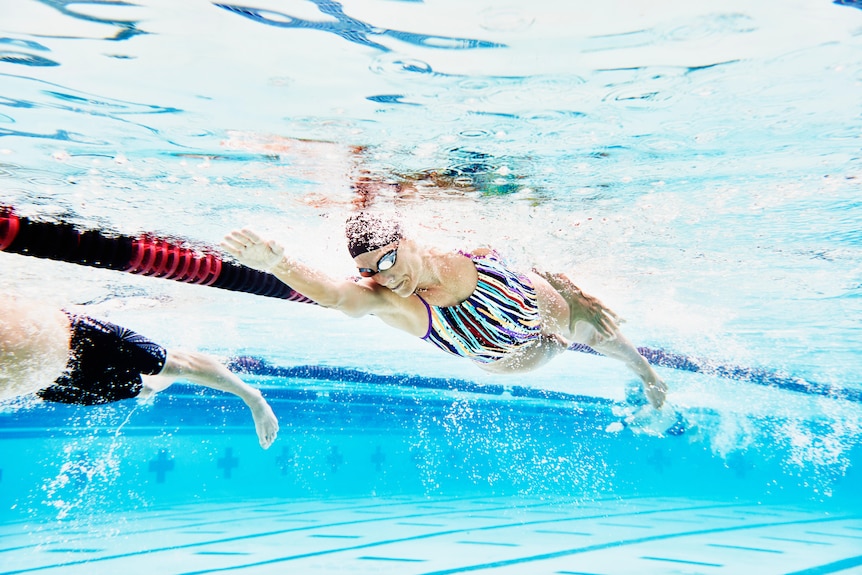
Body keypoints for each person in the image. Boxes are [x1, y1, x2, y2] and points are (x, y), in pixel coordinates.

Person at [222, 212, 668, 409]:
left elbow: (525, 261)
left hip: (549, 309)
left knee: (614, 343)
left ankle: (651, 381)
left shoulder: (464, 247)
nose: (384, 275)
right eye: (369, 269)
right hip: (527, 353)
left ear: (413, 244)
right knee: (572, 340)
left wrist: (573, 292)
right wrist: (278, 264)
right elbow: (337, 296)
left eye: (389, 258)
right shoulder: (394, 302)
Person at [0, 295, 279, 449]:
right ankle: (152, 386)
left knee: (178, 366)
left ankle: (249, 394)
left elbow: (186, 363)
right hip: (46, 381)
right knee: (143, 388)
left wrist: (253, 400)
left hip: (82, 342)